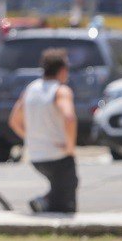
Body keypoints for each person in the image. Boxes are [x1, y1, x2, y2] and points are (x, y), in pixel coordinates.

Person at [8, 47, 78, 214]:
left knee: (60, 191)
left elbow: (14, 120)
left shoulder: (31, 89)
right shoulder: (60, 91)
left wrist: (30, 138)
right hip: (58, 155)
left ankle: (44, 202)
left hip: (36, 156)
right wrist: (70, 147)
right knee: (66, 199)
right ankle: (43, 203)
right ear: (62, 70)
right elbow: (69, 117)